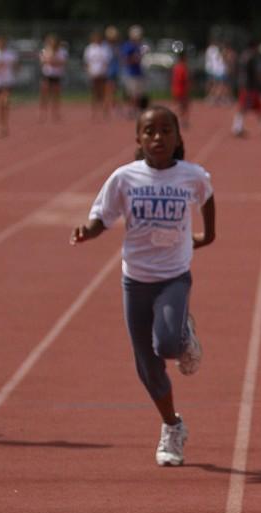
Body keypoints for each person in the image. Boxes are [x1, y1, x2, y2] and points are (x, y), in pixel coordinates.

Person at [69, 106, 215, 466]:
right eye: (149, 131)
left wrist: (207, 236)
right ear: (139, 139)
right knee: (147, 366)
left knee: (166, 343)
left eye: (166, 130)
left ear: (178, 138)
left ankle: (184, 333)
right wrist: (88, 231)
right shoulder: (124, 178)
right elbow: (102, 216)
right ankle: (172, 427)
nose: (157, 137)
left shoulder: (191, 176)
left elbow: (207, 197)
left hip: (174, 276)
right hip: (135, 279)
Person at [231, 40, 261, 138]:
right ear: (254, 47)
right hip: (250, 87)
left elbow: (237, 70)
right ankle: (237, 127)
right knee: (244, 107)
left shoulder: (242, 56)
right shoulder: (252, 57)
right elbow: (256, 72)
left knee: (258, 107)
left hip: (245, 86)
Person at [39, 34, 68, 123]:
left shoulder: (62, 52)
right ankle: (43, 113)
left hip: (57, 75)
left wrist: (51, 61)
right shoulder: (44, 51)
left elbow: (63, 62)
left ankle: (55, 112)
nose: (53, 44)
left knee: (56, 95)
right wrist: (51, 57)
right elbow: (43, 61)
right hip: (47, 75)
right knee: (44, 94)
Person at [84, 30, 112, 121]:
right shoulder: (89, 48)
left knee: (104, 93)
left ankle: (105, 111)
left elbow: (107, 61)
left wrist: (104, 71)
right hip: (93, 74)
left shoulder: (105, 48)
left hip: (103, 74)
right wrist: (89, 72)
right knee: (95, 93)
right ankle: (94, 112)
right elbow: (87, 62)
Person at [121, 25, 147, 117]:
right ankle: (132, 110)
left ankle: (138, 110)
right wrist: (135, 59)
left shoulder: (139, 46)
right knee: (132, 94)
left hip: (138, 72)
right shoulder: (128, 46)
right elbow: (125, 59)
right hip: (131, 73)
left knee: (139, 94)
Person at [170, 50, 190, 129]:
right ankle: (181, 121)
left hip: (175, 89)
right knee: (182, 106)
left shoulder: (176, 67)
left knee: (179, 106)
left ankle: (179, 121)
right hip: (181, 89)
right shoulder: (183, 67)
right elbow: (183, 79)